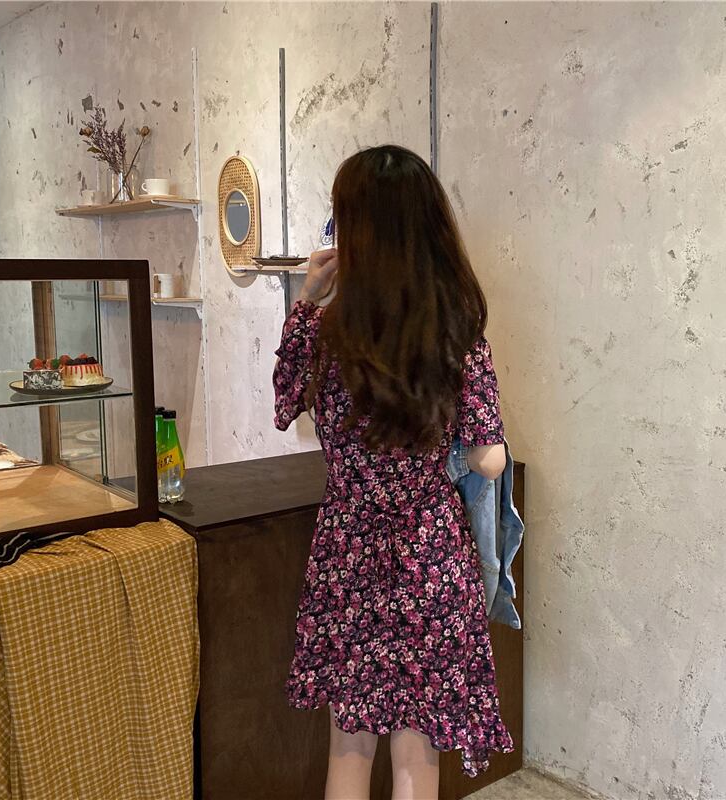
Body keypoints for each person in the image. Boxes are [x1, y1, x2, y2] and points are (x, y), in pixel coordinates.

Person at [272, 144, 513, 800]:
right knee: (416, 755)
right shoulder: (457, 333)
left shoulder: (326, 334)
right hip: (429, 555)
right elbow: (490, 457)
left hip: (347, 552)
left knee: (349, 750)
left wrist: (306, 300)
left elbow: (284, 407)